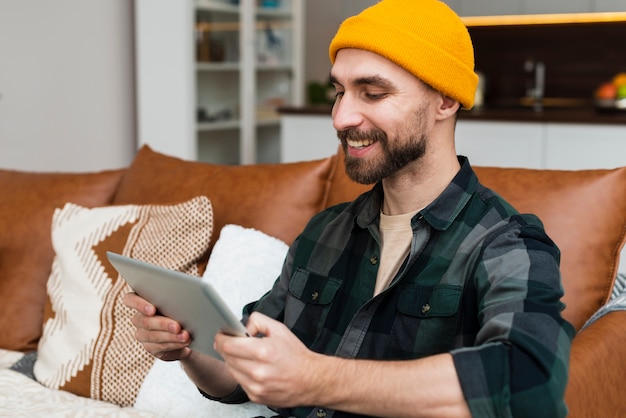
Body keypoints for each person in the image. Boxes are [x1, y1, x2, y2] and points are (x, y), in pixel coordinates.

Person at [124, 1, 575, 417]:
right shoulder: (324, 233)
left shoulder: (506, 242)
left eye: (373, 93)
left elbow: (528, 384)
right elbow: (243, 377)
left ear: (445, 99)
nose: (341, 117)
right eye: (339, 92)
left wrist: (316, 378)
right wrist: (188, 350)